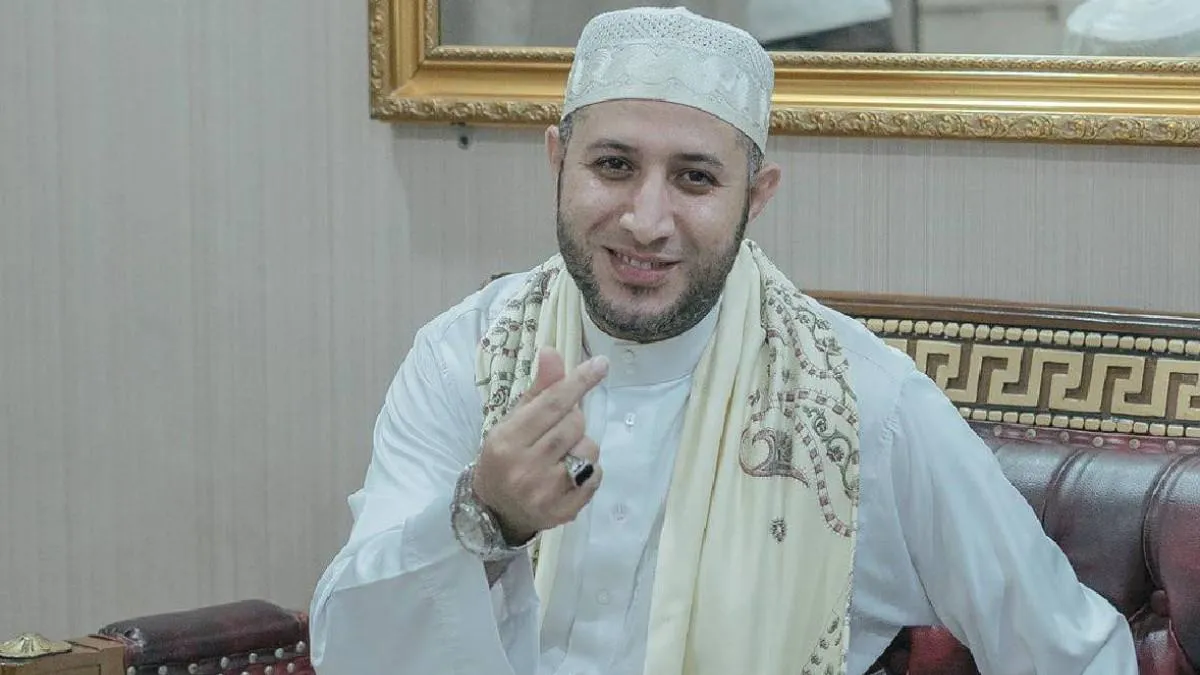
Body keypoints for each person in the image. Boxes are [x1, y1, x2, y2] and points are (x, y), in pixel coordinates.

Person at [308, 6, 1137, 675]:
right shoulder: (464, 357)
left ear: (756, 195)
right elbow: (348, 649)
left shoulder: (865, 407)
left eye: (695, 177)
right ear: (557, 161)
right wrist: (485, 516)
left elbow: (1075, 651)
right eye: (613, 165)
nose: (647, 219)